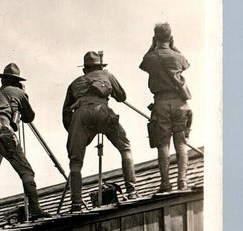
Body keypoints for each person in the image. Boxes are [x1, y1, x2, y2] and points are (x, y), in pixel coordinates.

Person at [0, 63, 51, 227]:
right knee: (26, 171)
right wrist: (23, 95)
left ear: (3, 80)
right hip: (2, 127)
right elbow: (29, 117)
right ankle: (35, 209)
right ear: (16, 81)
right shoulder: (19, 92)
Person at [62, 51, 137, 212]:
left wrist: (75, 133)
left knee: (75, 162)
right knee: (125, 148)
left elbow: (66, 113)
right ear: (100, 67)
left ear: (84, 70)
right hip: (103, 111)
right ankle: (131, 191)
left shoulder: (74, 83)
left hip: (80, 116)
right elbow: (122, 96)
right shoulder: (107, 75)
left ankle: (76, 203)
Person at [139, 23, 192, 192]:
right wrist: (173, 47)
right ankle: (182, 181)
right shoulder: (177, 56)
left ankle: (165, 184)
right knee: (181, 144)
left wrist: (153, 46)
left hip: (160, 103)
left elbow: (143, 64)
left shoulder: (151, 57)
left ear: (155, 38)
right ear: (170, 37)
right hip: (180, 103)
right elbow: (186, 63)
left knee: (163, 145)